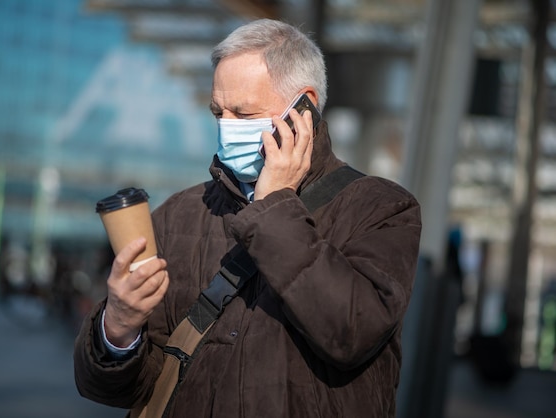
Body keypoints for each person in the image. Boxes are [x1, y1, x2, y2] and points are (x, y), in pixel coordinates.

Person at [74, 18, 422, 418]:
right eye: (218, 112)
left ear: (303, 110)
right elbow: (127, 388)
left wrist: (274, 204)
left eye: (243, 113)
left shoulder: (382, 208)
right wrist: (117, 330)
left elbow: (351, 333)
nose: (226, 129)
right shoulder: (176, 215)